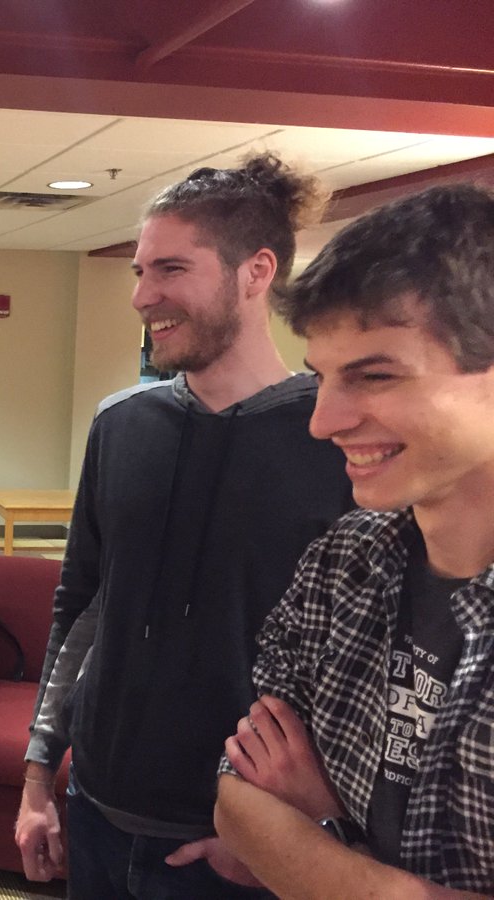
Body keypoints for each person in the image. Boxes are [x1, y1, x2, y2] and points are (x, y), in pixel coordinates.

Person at [13, 153, 355, 898]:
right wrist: (41, 778)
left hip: (236, 843)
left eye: (169, 269)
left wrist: (303, 836)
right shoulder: (120, 424)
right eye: (139, 272)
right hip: (96, 810)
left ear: (256, 273)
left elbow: (361, 660)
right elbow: (80, 609)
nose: (142, 295)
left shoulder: (339, 436)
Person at [196, 183, 494, 897]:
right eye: (322, 378)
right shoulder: (344, 559)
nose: (322, 421)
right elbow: (238, 799)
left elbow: (270, 830)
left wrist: (320, 828)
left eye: (377, 375)